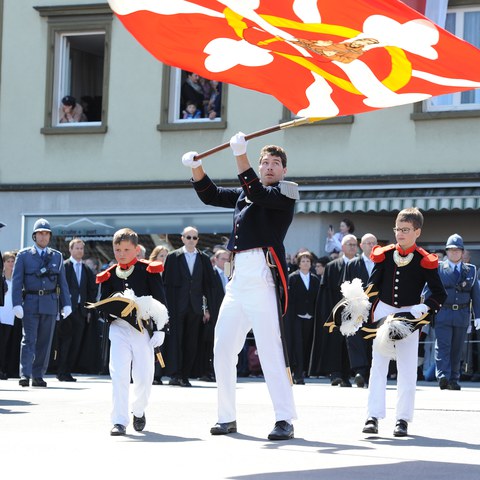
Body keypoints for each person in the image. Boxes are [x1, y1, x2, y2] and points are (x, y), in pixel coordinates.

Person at [182, 131, 299, 441]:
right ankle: (226, 417)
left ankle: (285, 418)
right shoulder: (245, 193)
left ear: (284, 170)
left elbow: (258, 194)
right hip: (237, 277)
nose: (270, 167)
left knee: (270, 350)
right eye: (264, 163)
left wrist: (239, 155)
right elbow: (210, 194)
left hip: (262, 275)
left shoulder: (284, 194)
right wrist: (196, 168)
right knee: (222, 349)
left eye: (275, 163)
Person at [362, 208, 447, 437]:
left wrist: (425, 307)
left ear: (417, 232)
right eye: (398, 229)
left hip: (410, 315)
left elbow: (439, 294)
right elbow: (372, 287)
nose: (400, 233)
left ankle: (402, 419)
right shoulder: (385, 254)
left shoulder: (424, 259)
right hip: (384, 311)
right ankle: (373, 416)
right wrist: (361, 306)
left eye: (406, 230)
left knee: (407, 368)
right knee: (378, 365)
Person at [94, 228, 167, 435]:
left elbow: (160, 301)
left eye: (126, 249)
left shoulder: (148, 270)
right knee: (119, 375)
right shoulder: (107, 275)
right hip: (118, 329)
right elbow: (102, 305)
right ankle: (119, 420)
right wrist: (110, 312)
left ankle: (139, 409)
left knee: (144, 376)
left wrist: (161, 329)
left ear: (136, 249)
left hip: (141, 329)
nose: (121, 253)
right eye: (117, 249)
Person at [12, 218, 72, 387]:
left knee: (45, 342)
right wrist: (16, 303)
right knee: (29, 339)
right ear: (34, 236)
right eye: (40, 233)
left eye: (46, 234)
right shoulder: (24, 256)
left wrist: (66, 304)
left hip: (50, 302)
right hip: (30, 301)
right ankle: (25, 374)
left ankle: (38, 375)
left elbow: (63, 283)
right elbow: (17, 281)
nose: (44, 237)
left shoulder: (57, 256)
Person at [423, 234, 480, 390]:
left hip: (462, 315)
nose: (454, 253)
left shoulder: (471, 270)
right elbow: (428, 291)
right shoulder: (438, 268)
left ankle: (454, 379)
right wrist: (424, 311)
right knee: (442, 346)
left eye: (457, 250)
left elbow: (475, 295)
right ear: (447, 252)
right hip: (443, 313)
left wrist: (477, 316)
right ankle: (443, 376)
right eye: (451, 250)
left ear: (462, 252)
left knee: (457, 348)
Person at [162, 226, 215, 387]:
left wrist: (208, 309)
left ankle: (185, 375)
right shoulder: (173, 257)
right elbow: (166, 284)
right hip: (177, 307)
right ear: (182, 238)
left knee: (191, 343)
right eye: (188, 237)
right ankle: (174, 374)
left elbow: (209, 286)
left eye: (194, 237)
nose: (192, 240)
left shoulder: (204, 259)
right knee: (175, 341)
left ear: (198, 240)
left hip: (195, 307)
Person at [310, 234, 359, 386]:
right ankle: (336, 374)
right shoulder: (332, 266)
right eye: (349, 244)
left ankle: (349, 374)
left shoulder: (360, 265)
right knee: (335, 344)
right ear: (343, 248)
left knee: (352, 344)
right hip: (336, 312)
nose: (352, 247)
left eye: (354, 244)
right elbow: (325, 294)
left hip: (356, 312)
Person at [55, 238, 97, 382]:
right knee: (65, 342)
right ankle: (61, 371)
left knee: (76, 343)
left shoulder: (86, 269)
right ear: (70, 250)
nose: (79, 251)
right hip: (66, 310)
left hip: (81, 311)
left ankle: (68, 371)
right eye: (77, 248)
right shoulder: (64, 266)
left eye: (81, 248)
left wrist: (90, 310)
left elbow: (91, 290)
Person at [344, 233, 378, 388]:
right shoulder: (353, 264)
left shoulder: (381, 263)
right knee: (356, 339)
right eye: (368, 243)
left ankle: (373, 372)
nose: (371, 246)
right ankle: (360, 371)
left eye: (373, 243)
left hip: (377, 307)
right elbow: (346, 286)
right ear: (361, 245)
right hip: (357, 307)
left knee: (375, 339)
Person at [197, 249, 231, 382]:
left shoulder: (230, 275)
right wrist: (205, 310)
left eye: (227, 259)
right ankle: (206, 371)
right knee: (209, 343)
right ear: (215, 260)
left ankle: (220, 371)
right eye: (222, 259)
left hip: (226, 313)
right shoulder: (211, 273)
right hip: (213, 313)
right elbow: (204, 293)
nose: (225, 262)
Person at [286, 251, 320, 385]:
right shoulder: (293, 278)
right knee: (297, 344)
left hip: (310, 316)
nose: (306, 263)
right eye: (303, 261)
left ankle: (304, 370)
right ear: (298, 264)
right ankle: (298, 374)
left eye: (308, 261)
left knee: (307, 344)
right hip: (296, 316)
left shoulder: (315, 279)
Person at [0, 251, 16, 379]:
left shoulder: (16, 279)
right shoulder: (2, 278)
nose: (11, 264)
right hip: (1, 314)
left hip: (10, 316)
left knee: (6, 344)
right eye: (8, 261)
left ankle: (4, 368)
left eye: (12, 261)